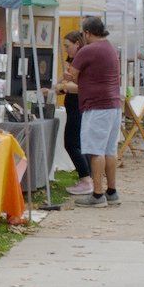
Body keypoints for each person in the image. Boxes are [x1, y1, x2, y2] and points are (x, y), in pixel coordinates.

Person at [70, 16, 122, 207]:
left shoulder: (87, 50)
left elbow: (72, 76)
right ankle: (112, 191)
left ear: (87, 33)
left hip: (97, 106)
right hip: (113, 104)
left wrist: (64, 83)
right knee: (110, 150)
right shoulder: (110, 47)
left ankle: (97, 194)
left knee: (95, 151)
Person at [54, 30, 93, 195]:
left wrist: (64, 86)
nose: (65, 49)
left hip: (78, 106)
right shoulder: (74, 60)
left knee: (71, 143)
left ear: (78, 43)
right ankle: (86, 177)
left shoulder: (82, 61)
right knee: (75, 143)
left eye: (67, 46)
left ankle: (86, 179)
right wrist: (62, 87)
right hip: (73, 105)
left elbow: (82, 87)